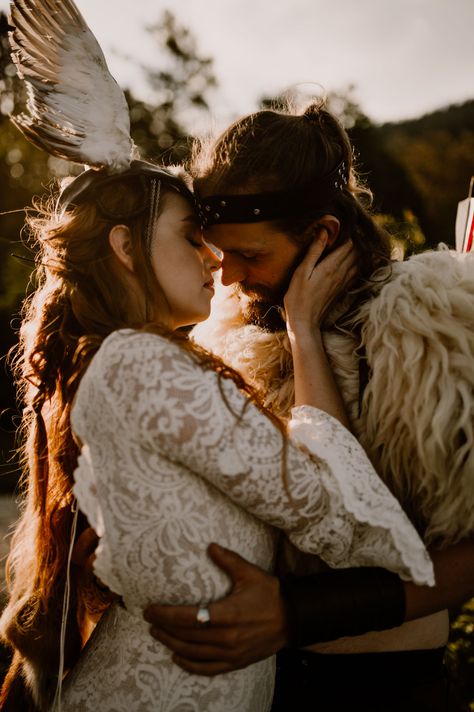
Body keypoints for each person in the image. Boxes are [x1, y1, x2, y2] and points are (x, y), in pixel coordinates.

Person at [0, 2, 433, 711]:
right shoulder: (163, 358)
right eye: (196, 240)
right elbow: (319, 505)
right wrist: (298, 324)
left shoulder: (414, 342)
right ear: (124, 248)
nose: (219, 267)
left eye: (241, 252)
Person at [143, 102, 474, 711]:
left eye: (251, 254)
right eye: (221, 254)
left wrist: (298, 615)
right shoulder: (230, 338)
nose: (230, 279)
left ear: (322, 234)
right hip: (261, 685)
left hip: (388, 690)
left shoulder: (428, 332)